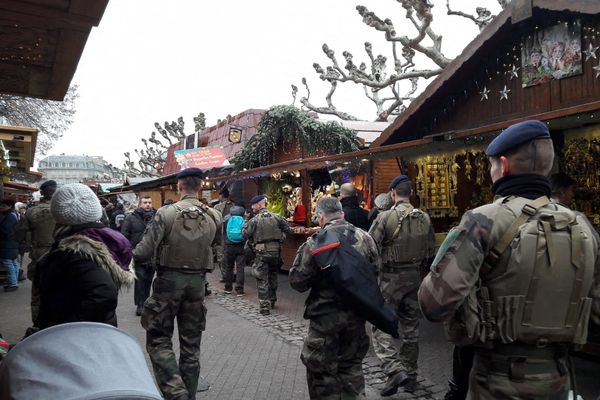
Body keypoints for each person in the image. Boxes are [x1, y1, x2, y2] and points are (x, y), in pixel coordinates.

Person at [418, 120, 600, 400]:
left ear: (503, 166)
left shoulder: (483, 220)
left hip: (497, 381)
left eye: (491, 165)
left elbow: (434, 304)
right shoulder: (584, 227)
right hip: (559, 379)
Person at [133, 167, 222, 400]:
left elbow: (143, 253)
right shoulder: (215, 215)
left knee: (159, 339)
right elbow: (216, 247)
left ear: (179, 186)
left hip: (168, 283)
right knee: (191, 346)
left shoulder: (166, 213)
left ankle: (175, 393)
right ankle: (189, 395)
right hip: (197, 284)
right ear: (201, 186)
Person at [289, 197, 380, 399]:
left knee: (321, 374)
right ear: (343, 214)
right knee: (352, 369)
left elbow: (297, 282)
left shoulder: (316, 241)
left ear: (321, 217)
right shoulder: (366, 238)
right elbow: (376, 272)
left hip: (324, 319)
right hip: (356, 316)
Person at [368, 175, 436, 396]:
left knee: (379, 324)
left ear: (393, 194)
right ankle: (411, 374)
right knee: (411, 328)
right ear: (410, 193)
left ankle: (393, 368)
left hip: (389, 278)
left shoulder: (386, 217)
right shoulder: (424, 218)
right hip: (414, 277)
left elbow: (370, 246)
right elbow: (430, 250)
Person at [35, 183, 134, 330]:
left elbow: (103, 292)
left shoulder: (75, 251)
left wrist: (69, 326)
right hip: (99, 332)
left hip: (78, 338)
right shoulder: (103, 240)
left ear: (58, 214)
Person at [15, 180, 57, 322]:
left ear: (42, 192)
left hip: (39, 254)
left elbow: (20, 233)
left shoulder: (32, 211)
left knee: (38, 292)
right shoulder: (63, 210)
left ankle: (38, 324)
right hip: (62, 254)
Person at [242, 195, 291, 315]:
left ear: (259, 204)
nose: (252, 207)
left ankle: (264, 306)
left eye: (254, 205)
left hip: (261, 252)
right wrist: (281, 238)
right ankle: (272, 299)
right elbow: (288, 230)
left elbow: (245, 234)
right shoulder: (277, 217)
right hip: (275, 252)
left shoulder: (254, 220)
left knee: (261, 278)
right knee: (273, 275)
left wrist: (246, 221)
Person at [121, 195, 156, 316]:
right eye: (145, 202)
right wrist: (129, 252)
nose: (148, 205)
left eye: (150, 202)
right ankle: (140, 305)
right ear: (140, 204)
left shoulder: (156, 217)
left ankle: (146, 302)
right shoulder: (131, 218)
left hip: (152, 255)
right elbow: (124, 236)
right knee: (140, 281)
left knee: (149, 281)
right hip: (137, 255)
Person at [222, 204, 247, 295]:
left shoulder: (226, 219)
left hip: (229, 246)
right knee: (240, 268)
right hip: (241, 246)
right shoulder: (244, 220)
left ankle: (228, 287)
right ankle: (239, 289)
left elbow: (223, 233)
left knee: (229, 266)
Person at [214, 187, 233, 283]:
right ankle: (233, 274)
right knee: (230, 255)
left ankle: (225, 275)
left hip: (220, 234)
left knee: (221, 256)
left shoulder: (217, 207)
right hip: (232, 235)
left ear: (221, 196)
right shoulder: (234, 206)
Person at [0, 199, 20, 292]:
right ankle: (14, 282)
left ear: (10, 206)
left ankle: (13, 284)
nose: (1, 207)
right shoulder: (13, 214)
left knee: (9, 264)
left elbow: (5, 231)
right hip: (12, 243)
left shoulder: (9, 216)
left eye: (3, 206)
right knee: (13, 263)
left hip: (8, 244)